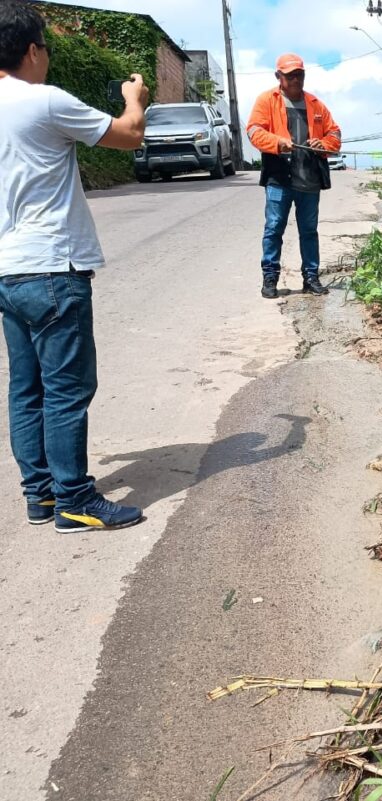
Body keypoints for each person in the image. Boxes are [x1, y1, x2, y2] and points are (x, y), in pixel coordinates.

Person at [0, 0, 147, 531]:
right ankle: (75, 500)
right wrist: (135, 98)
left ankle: (39, 496)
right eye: (47, 48)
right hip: (52, 267)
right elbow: (129, 135)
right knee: (66, 389)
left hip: (8, 270)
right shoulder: (42, 101)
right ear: (33, 49)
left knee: (26, 387)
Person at [246, 53, 341, 299]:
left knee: (309, 230)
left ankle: (311, 277)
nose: (296, 79)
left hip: (309, 179)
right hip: (279, 177)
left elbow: (335, 134)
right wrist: (277, 143)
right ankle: (270, 277)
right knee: (274, 227)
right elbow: (254, 131)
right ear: (279, 76)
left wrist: (323, 144)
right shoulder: (266, 101)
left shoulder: (316, 104)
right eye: (290, 76)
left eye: (299, 74)